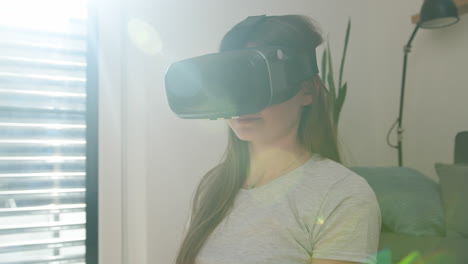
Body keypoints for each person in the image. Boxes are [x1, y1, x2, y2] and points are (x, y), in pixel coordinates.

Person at [175, 15, 381, 264]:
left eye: (255, 83)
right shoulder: (214, 186)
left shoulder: (343, 195)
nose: (241, 102)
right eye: (231, 84)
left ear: (306, 90)